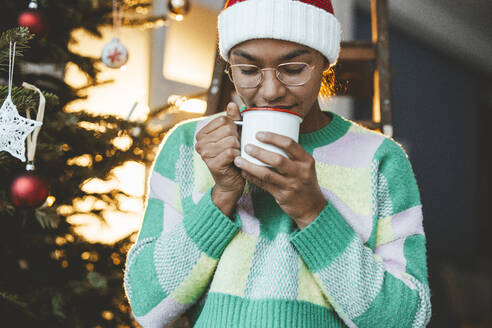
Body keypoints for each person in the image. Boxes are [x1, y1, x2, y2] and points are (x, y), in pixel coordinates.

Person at [124, 0, 432, 327]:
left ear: (324, 63)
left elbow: (405, 320)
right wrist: (222, 196)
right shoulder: (188, 146)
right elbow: (147, 307)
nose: (270, 92)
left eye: (293, 69)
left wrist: (313, 211)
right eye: (248, 70)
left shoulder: (379, 159)